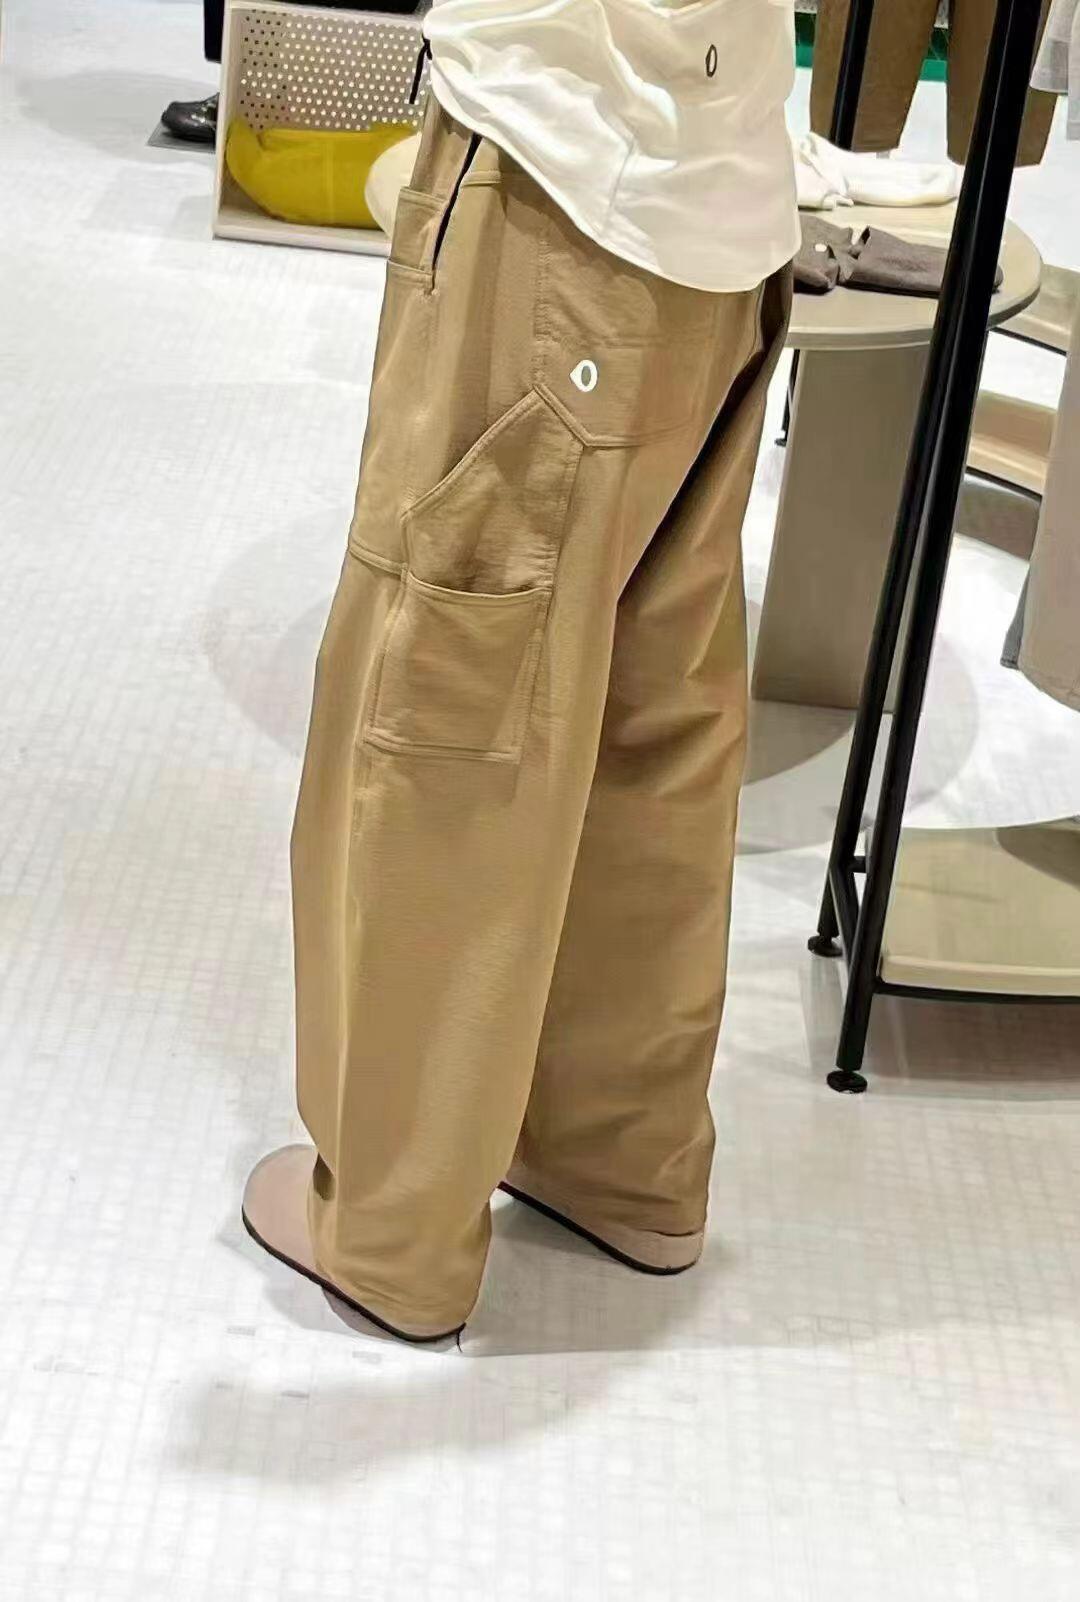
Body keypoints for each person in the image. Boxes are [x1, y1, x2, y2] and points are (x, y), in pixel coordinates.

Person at [242, 0, 799, 1342]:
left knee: (449, 718)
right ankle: (622, 1161)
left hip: (559, 182)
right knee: (653, 721)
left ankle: (392, 1233)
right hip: (725, 202)